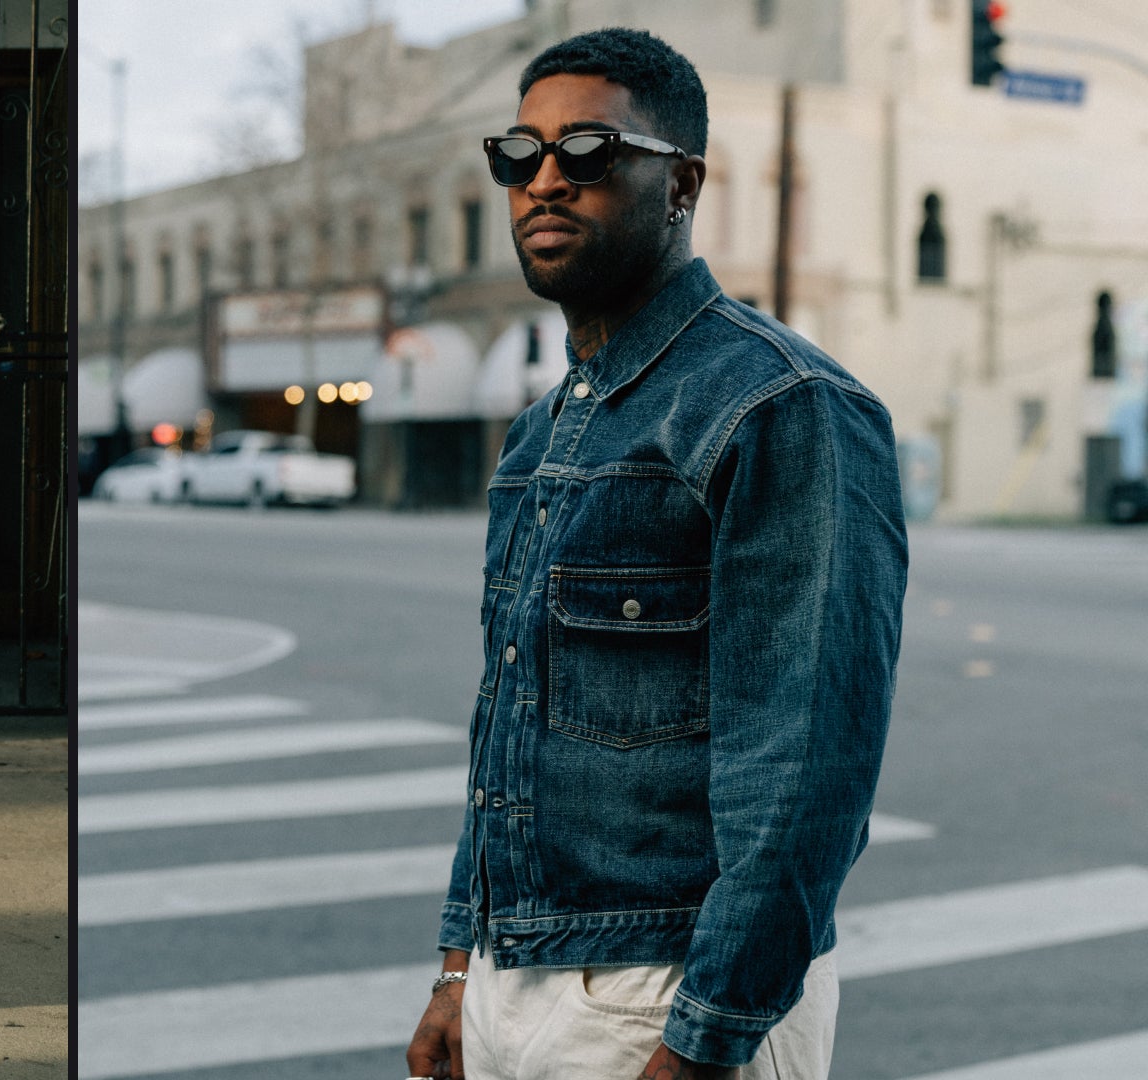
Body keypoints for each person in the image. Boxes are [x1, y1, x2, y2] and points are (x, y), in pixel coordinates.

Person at [403, 28, 907, 1080]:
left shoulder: (783, 408)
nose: (544, 181)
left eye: (587, 151)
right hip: (517, 973)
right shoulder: (542, 431)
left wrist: (706, 1040)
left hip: (664, 995)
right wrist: (461, 970)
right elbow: (509, 726)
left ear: (679, 183)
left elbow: (804, 774)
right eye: (518, 153)